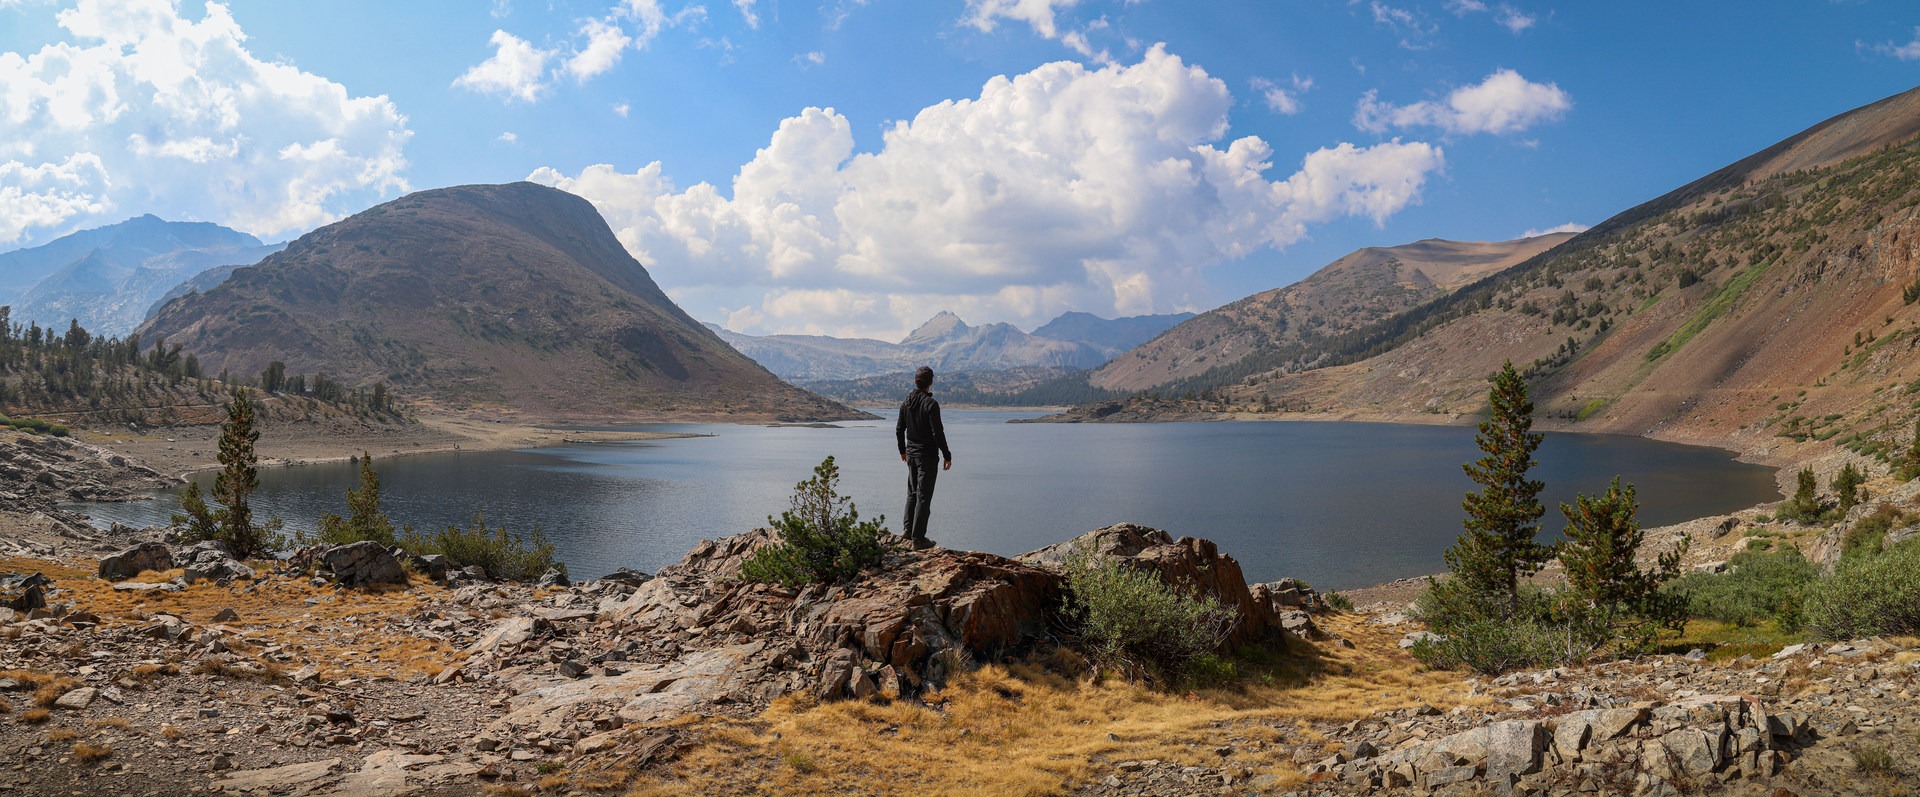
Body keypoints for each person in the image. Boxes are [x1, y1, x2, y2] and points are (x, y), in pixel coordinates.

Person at [895, 366, 952, 550]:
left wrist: (902, 450)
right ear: (931, 382)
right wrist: (947, 454)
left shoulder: (906, 402)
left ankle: (907, 530)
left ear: (915, 382)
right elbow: (938, 432)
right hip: (927, 456)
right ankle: (918, 539)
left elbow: (899, 429)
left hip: (911, 455)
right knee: (924, 496)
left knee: (912, 493)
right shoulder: (930, 404)